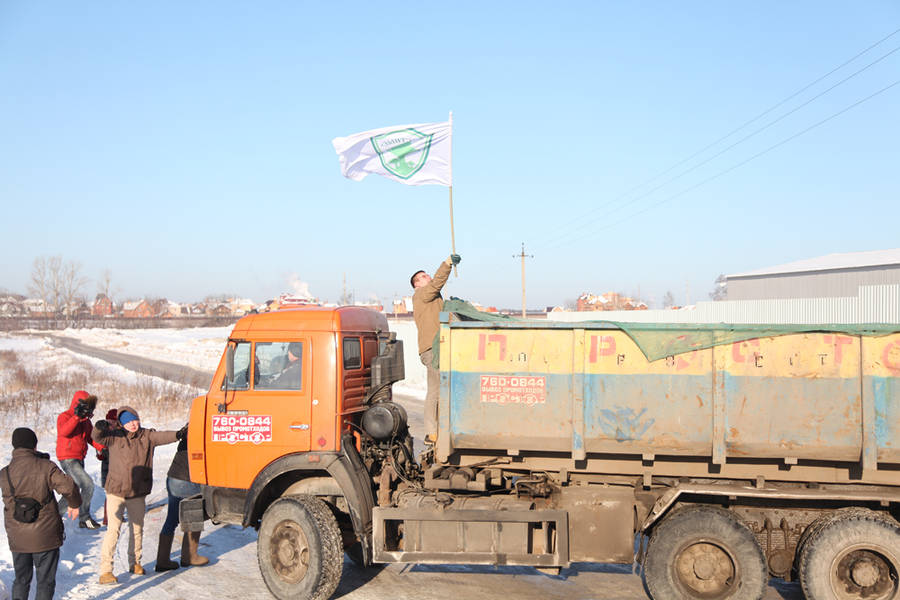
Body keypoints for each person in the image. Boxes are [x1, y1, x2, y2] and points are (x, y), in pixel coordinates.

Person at [92, 407, 182, 584]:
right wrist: (99, 427)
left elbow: (163, 436)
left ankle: (135, 563)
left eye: (135, 420)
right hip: (116, 492)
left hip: (137, 492)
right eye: (128, 422)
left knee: (137, 529)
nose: (132, 424)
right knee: (113, 530)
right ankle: (106, 571)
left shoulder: (147, 436)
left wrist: (179, 434)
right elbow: (97, 437)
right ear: (121, 423)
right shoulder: (114, 436)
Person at [1, 427, 81, 600]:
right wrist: (74, 504)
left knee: (21, 580)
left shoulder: (4, 473)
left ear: (14, 446)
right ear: (34, 446)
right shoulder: (46, 467)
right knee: (45, 581)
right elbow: (69, 487)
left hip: (18, 537)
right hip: (45, 536)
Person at [410, 253, 461, 442]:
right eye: (423, 276)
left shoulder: (432, 298)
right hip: (432, 350)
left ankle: (441, 428)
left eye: (427, 274)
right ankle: (432, 431)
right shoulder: (422, 294)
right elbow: (437, 282)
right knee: (436, 390)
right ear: (417, 284)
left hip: (438, 347)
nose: (428, 277)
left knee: (442, 389)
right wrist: (447, 264)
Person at [155, 425, 208, 571]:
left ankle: (162, 560)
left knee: (171, 519)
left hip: (173, 477)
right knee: (194, 518)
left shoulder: (188, 431)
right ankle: (189, 556)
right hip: (188, 479)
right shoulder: (203, 431)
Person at [56, 390, 105, 529]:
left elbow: (91, 437)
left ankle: (55, 516)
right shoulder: (65, 416)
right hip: (68, 458)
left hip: (79, 457)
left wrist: (102, 448)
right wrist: (76, 417)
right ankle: (84, 518)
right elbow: (64, 432)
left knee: (73, 489)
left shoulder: (85, 421)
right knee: (88, 484)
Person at [99, 408, 119, 526]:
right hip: (107, 467)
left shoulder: (120, 433)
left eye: (113, 421)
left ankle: (114, 516)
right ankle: (107, 518)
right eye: (109, 421)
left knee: (117, 493)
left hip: (117, 466)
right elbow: (100, 449)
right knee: (110, 493)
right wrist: (102, 453)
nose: (110, 423)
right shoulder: (104, 432)